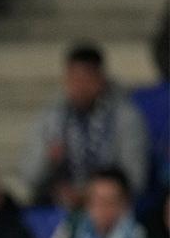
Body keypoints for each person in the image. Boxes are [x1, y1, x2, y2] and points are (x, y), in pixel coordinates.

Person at [21, 43, 150, 210]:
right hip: (58, 206)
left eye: (86, 80)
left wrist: (92, 193)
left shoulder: (125, 117)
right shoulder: (51, 118)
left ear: (100, 79)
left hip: (109, 207)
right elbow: (29, 176)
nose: (79, 87)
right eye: (73, 79)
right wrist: (49, 160)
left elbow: (136, 178)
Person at [48, 168, 158, 238]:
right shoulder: (73, 229)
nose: (102, 208)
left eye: (110, 201)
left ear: (125, 204)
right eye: (97, 200)